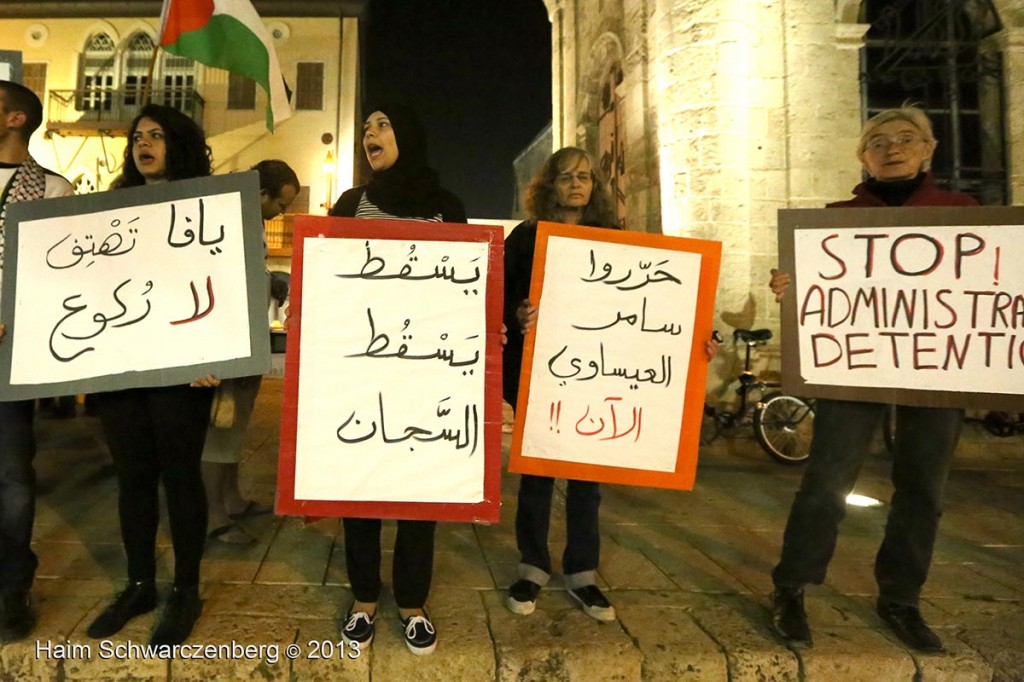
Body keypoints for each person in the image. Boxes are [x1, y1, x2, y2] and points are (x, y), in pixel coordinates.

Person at [768, 105, 977, 654]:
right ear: (863, 156)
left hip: (937, 367)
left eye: (907, 138)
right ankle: (792, 585)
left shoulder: (964, 214)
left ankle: (901, 597)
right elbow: (818, 292)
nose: (892, 148)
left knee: (923, 488)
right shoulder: (836, 219)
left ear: (929, 148)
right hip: (854, 366)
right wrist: (794, 286)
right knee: (826, 480)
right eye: (878, 141)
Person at [502, 147, 718, 621]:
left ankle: (582, 572)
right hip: (539, 376)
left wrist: (700, 335)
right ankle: (532, 566)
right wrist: (520, 315)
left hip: (597, 378)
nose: (576, 185)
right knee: (537, 474)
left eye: (584, 177)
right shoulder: (525, 237)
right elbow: (501, 300)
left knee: (587, 478)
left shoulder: (615, 240)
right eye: (565, 177)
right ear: (549, 186)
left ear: (594, 186)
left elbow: (655, 306)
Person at [329, 101, 466, 655]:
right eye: (366, 128)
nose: (370, 134)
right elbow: (328, 280)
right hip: (363, 367)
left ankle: (411, 601)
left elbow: (467, 287)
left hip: (427, 373)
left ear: (407, 134)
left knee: (418, 490)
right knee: (359, 486)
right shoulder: (349, 204)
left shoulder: (444, 207)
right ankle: (364, 598)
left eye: (382, 125)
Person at [86, 104, 221, 647]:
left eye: (157, 135)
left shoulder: (210, 208)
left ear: (179, 144)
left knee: (181, 475)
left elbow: (226, 282)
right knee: (132, 476)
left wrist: (220, 355)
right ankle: (139, 582)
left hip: (182, 371)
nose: (144, 143)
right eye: (138, 136)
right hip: (121, 366)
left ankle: (185, 588)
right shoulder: (109, 208)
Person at [0, 79, 74, 642]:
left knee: (11, 474)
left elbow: (68, 277)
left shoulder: (53, 190)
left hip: (11, 352)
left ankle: (11, 587)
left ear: (17, 119)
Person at [203, 159, 299, 544]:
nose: (284, 213)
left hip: (247, 338)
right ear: (262, 194)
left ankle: (232, 497)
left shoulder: (249, 221)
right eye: (282, 203)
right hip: (229, 342)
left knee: (236, 426)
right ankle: (213, 516)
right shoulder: (230, 222)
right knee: (220, 429)